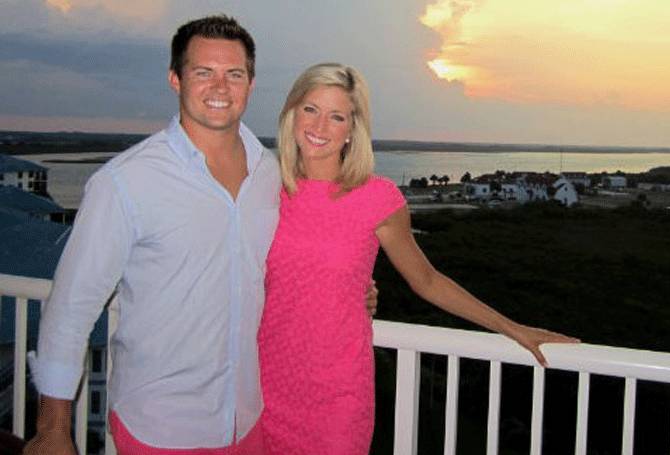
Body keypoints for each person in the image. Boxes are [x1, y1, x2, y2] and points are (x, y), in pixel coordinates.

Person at [23, 16, 377, 455]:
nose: (220, 87)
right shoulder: (126, 182)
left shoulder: (271, 174)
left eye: (234, 74)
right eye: (203, 72)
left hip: (251, 421)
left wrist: (350, 289)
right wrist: (53, 429)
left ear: (250, 85)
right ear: (175, 79)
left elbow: (289, 261)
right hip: (162, 426)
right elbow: (71, 307)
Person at [256, 63, 579, 454]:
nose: (319, 125)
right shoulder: (262, 188)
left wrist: (511, 327)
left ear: (352, 130)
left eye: (336, 116)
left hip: (336, 395)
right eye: (310, 109)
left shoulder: (377, 198)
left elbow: (426, 280)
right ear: (291, 113)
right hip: (263, 387)